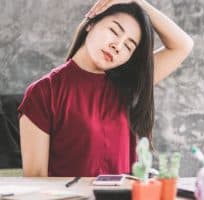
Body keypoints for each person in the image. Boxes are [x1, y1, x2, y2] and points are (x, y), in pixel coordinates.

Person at [18, 0, 193, 177]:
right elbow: (36, 179)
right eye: (114, 31)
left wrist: (137, 1)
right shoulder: (43, 92)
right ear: (91, 23)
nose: (117, 46)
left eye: (128, 46)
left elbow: (183, 46)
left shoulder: (130, 84)